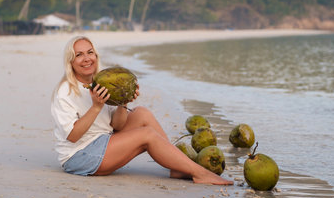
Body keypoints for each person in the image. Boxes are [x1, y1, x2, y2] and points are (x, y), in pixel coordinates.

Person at [51, 35, 232, 185]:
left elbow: (117, 125)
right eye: (79, 55)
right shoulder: (65, 91)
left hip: (103, 141)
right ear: (71, 61)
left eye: (90, 52)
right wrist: (96, 107)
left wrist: (124, 101)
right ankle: (200, 173)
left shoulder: (100, 84)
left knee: (142, 113)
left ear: (96, 56)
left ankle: (177, 167)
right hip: (80, 157)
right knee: (147, 135)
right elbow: (73, 135)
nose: (87, 58)